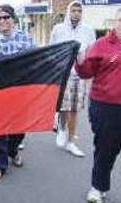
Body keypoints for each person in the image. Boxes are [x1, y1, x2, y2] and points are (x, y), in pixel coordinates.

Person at [0, 4, 34, 180]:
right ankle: (0, 164)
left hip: (20, 92)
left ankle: (13, 150)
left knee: (19, 129)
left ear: (13, 19)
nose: (2, 21)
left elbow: (34, 62)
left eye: (6, 17)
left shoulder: (26, 38)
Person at [75, 8, 121, 203]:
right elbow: (86, 73)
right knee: (106, 148)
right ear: (116, 21)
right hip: (106, 106)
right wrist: (80, 61)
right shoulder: (101, 45)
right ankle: (98, 186)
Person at [49, 0, 96, 157]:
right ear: (69, 12)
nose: (76, 13)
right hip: (64, 73)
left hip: (80, 74)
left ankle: (71, 142)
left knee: (75, 109)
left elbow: (92, 51)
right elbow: (52, 50)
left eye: (79, 11)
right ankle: (61, 128)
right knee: (64, 107)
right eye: (74, 10)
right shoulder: (58, 29)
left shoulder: (88, 30)